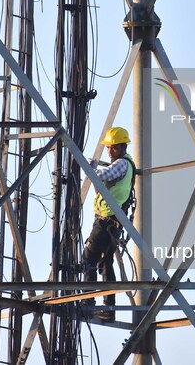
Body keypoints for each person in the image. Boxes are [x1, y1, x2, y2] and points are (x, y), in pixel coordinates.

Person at [82, 127, 135, 322]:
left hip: (107, 222)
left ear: (122, 147)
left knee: (88, 258)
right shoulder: (123, 164)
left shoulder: (122, 164)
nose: (109, 151)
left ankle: (88, 303)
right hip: (111, 221)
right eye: (108, 148)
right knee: (105, 263)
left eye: (112, 148)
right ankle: (108, 307)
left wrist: (88, 167)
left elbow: (102, 176)